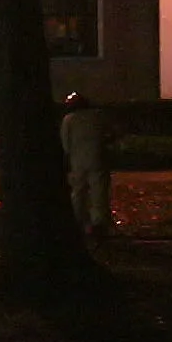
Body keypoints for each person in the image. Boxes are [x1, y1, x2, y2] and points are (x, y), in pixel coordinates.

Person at [59, 91, 113, 238]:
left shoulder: (68, 120)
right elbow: (109, 134)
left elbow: (65, 145)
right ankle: (99, 223)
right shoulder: (97, 116)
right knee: (98, 191)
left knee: (78, 192)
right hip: (97, 158)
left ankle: (78, 220)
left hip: (77, 161)